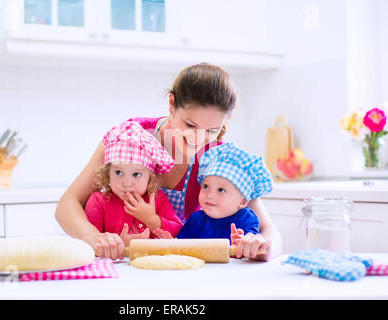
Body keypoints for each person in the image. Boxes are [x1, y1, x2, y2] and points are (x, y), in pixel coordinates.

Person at [55, 63, 283, 261]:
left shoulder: (219, 158)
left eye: (212, 130)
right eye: (190, 125)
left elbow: (269, 230)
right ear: (172, 104)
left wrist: (261, 245)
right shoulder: (130, 137)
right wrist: (95, 238)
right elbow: (67, 205)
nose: (198, 139)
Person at [154, 142, 273, 257]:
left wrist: (243, 243)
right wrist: (171, 242)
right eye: (206, 186)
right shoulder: (197, 220)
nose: (209, 195)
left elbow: (251, 244)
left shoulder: (246, 218)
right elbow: (183, 247)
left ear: (242, 202)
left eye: (221, 190)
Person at [84, 121, 183, 247]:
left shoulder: (157, 199)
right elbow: (91, 243)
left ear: (150, 177)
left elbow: (180, 231)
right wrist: (120, 244)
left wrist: (152, 220)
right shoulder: (98, 201)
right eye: (118, 172)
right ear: (108, 173)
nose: (127, 183)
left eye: (136, 174)